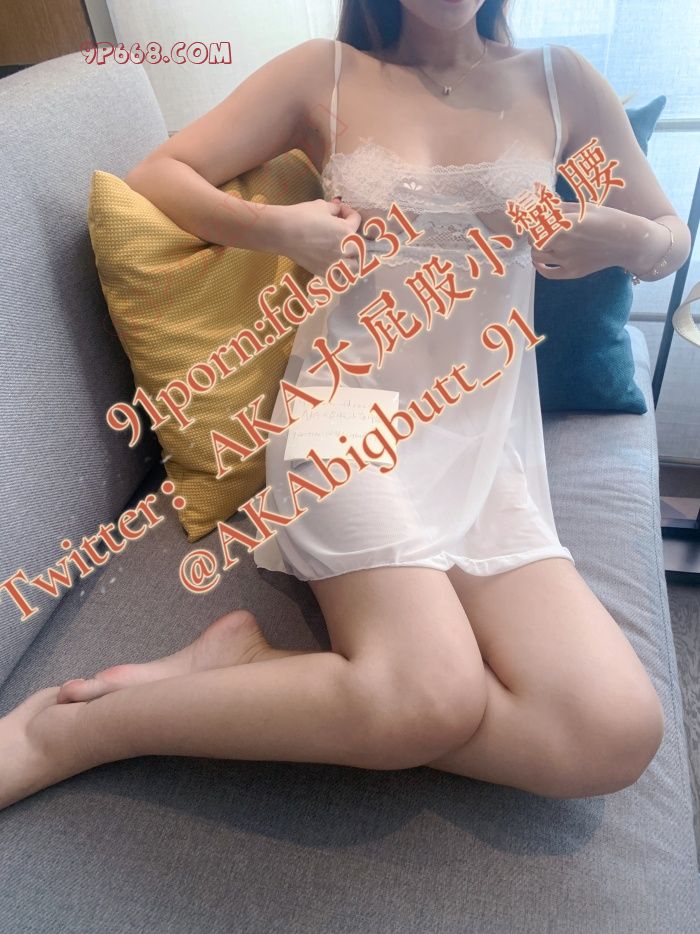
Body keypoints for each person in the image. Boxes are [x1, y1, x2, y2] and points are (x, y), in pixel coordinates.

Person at [1, 0, 691, 812]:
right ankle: (73, 731)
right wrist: (277, 230)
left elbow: (668, 230)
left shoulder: (558, 79)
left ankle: (251, 672)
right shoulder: (324, 72)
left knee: (614, 731)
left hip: (478, 437)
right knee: (430, 691)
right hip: (342, 416)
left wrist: (632, 241)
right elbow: (161, 173)